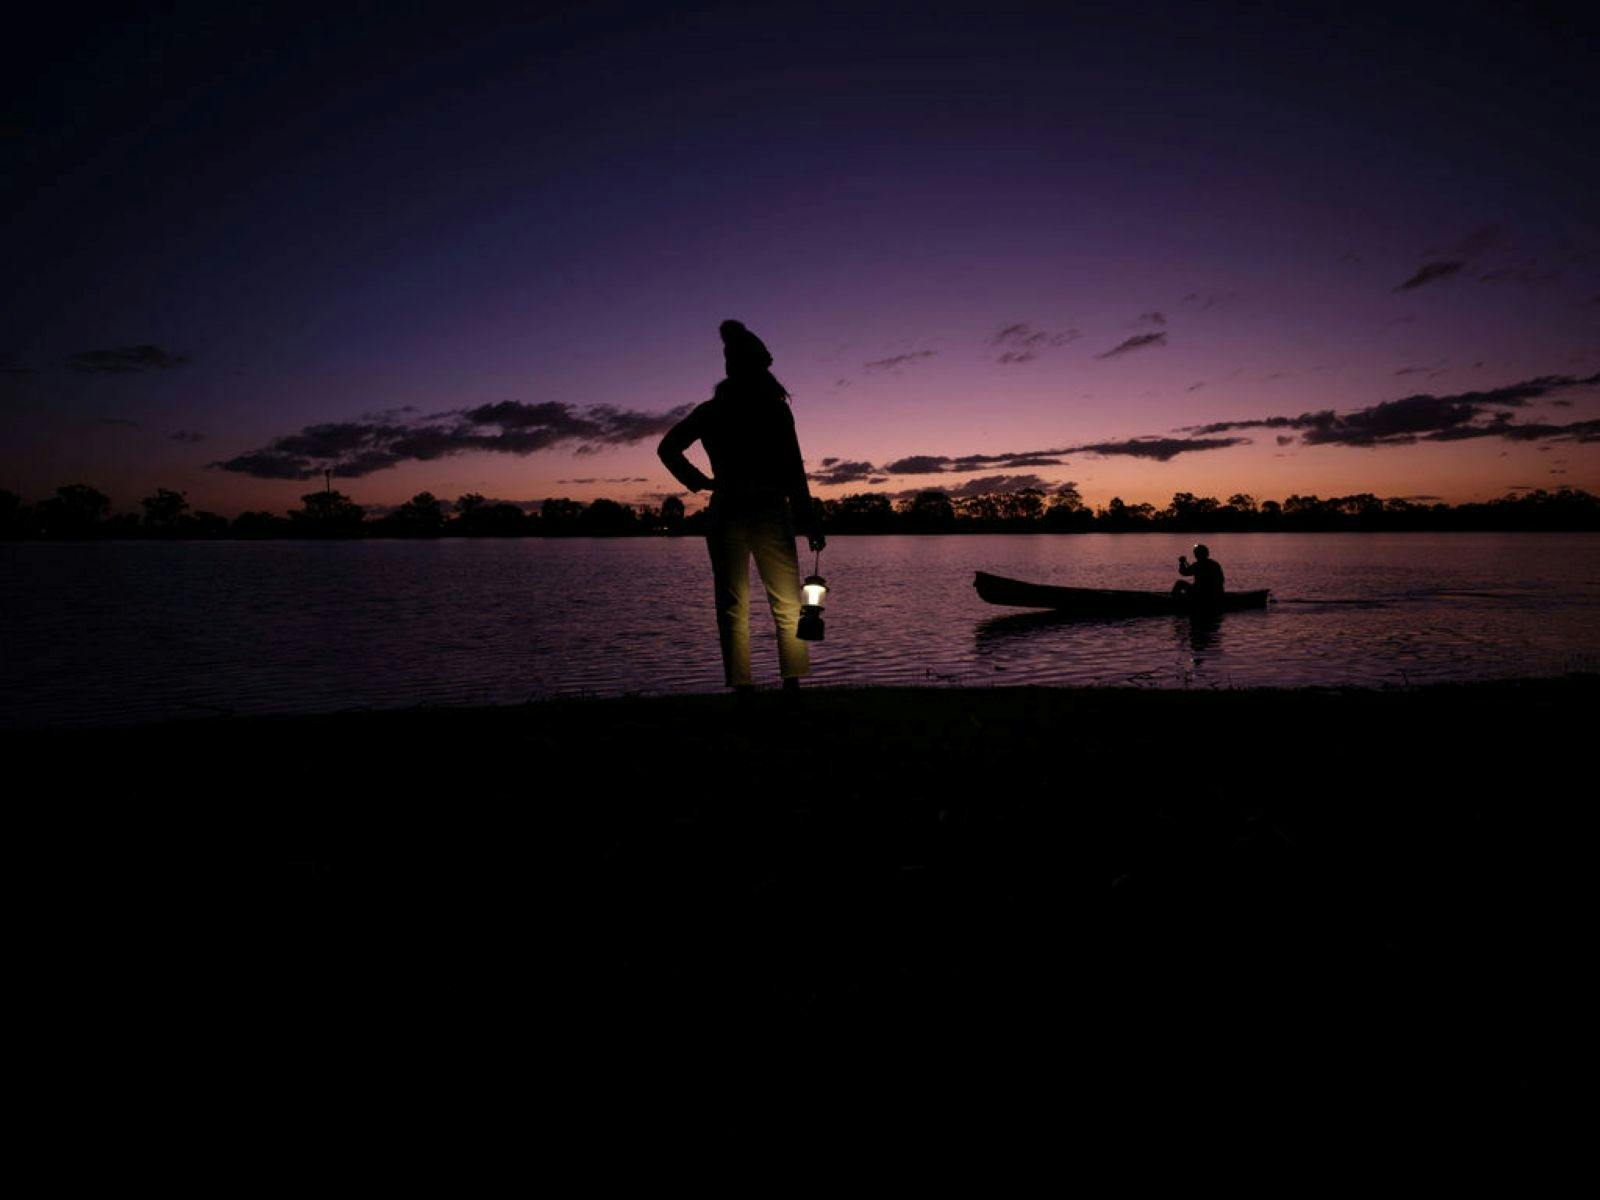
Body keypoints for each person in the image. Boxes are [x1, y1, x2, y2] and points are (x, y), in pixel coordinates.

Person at [657, 320, 826, 695]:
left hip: (728, 509)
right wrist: (809, 519)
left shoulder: (712, 411)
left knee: (732, 604)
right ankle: (792, 686)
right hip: (769, 510)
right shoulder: (775, 411)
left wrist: (699, 481)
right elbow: (794, 471)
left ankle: (742, 688)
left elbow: (668, 448)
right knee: (786, 602)